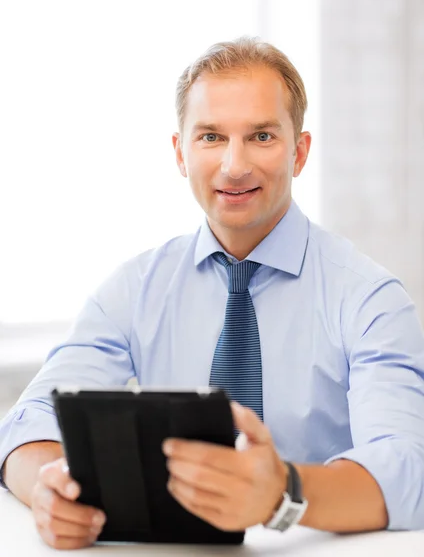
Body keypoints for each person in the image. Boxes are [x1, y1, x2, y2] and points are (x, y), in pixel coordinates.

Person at [1, 37, 424, 550]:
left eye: (262, 136)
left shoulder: (369, 298)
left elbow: (409, 467)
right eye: (211, 137)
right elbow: (26, 423)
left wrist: (280, 493)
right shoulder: (134, 289)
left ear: (300, 150)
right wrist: (50, 486)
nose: (233, 165)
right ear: (181, 153)